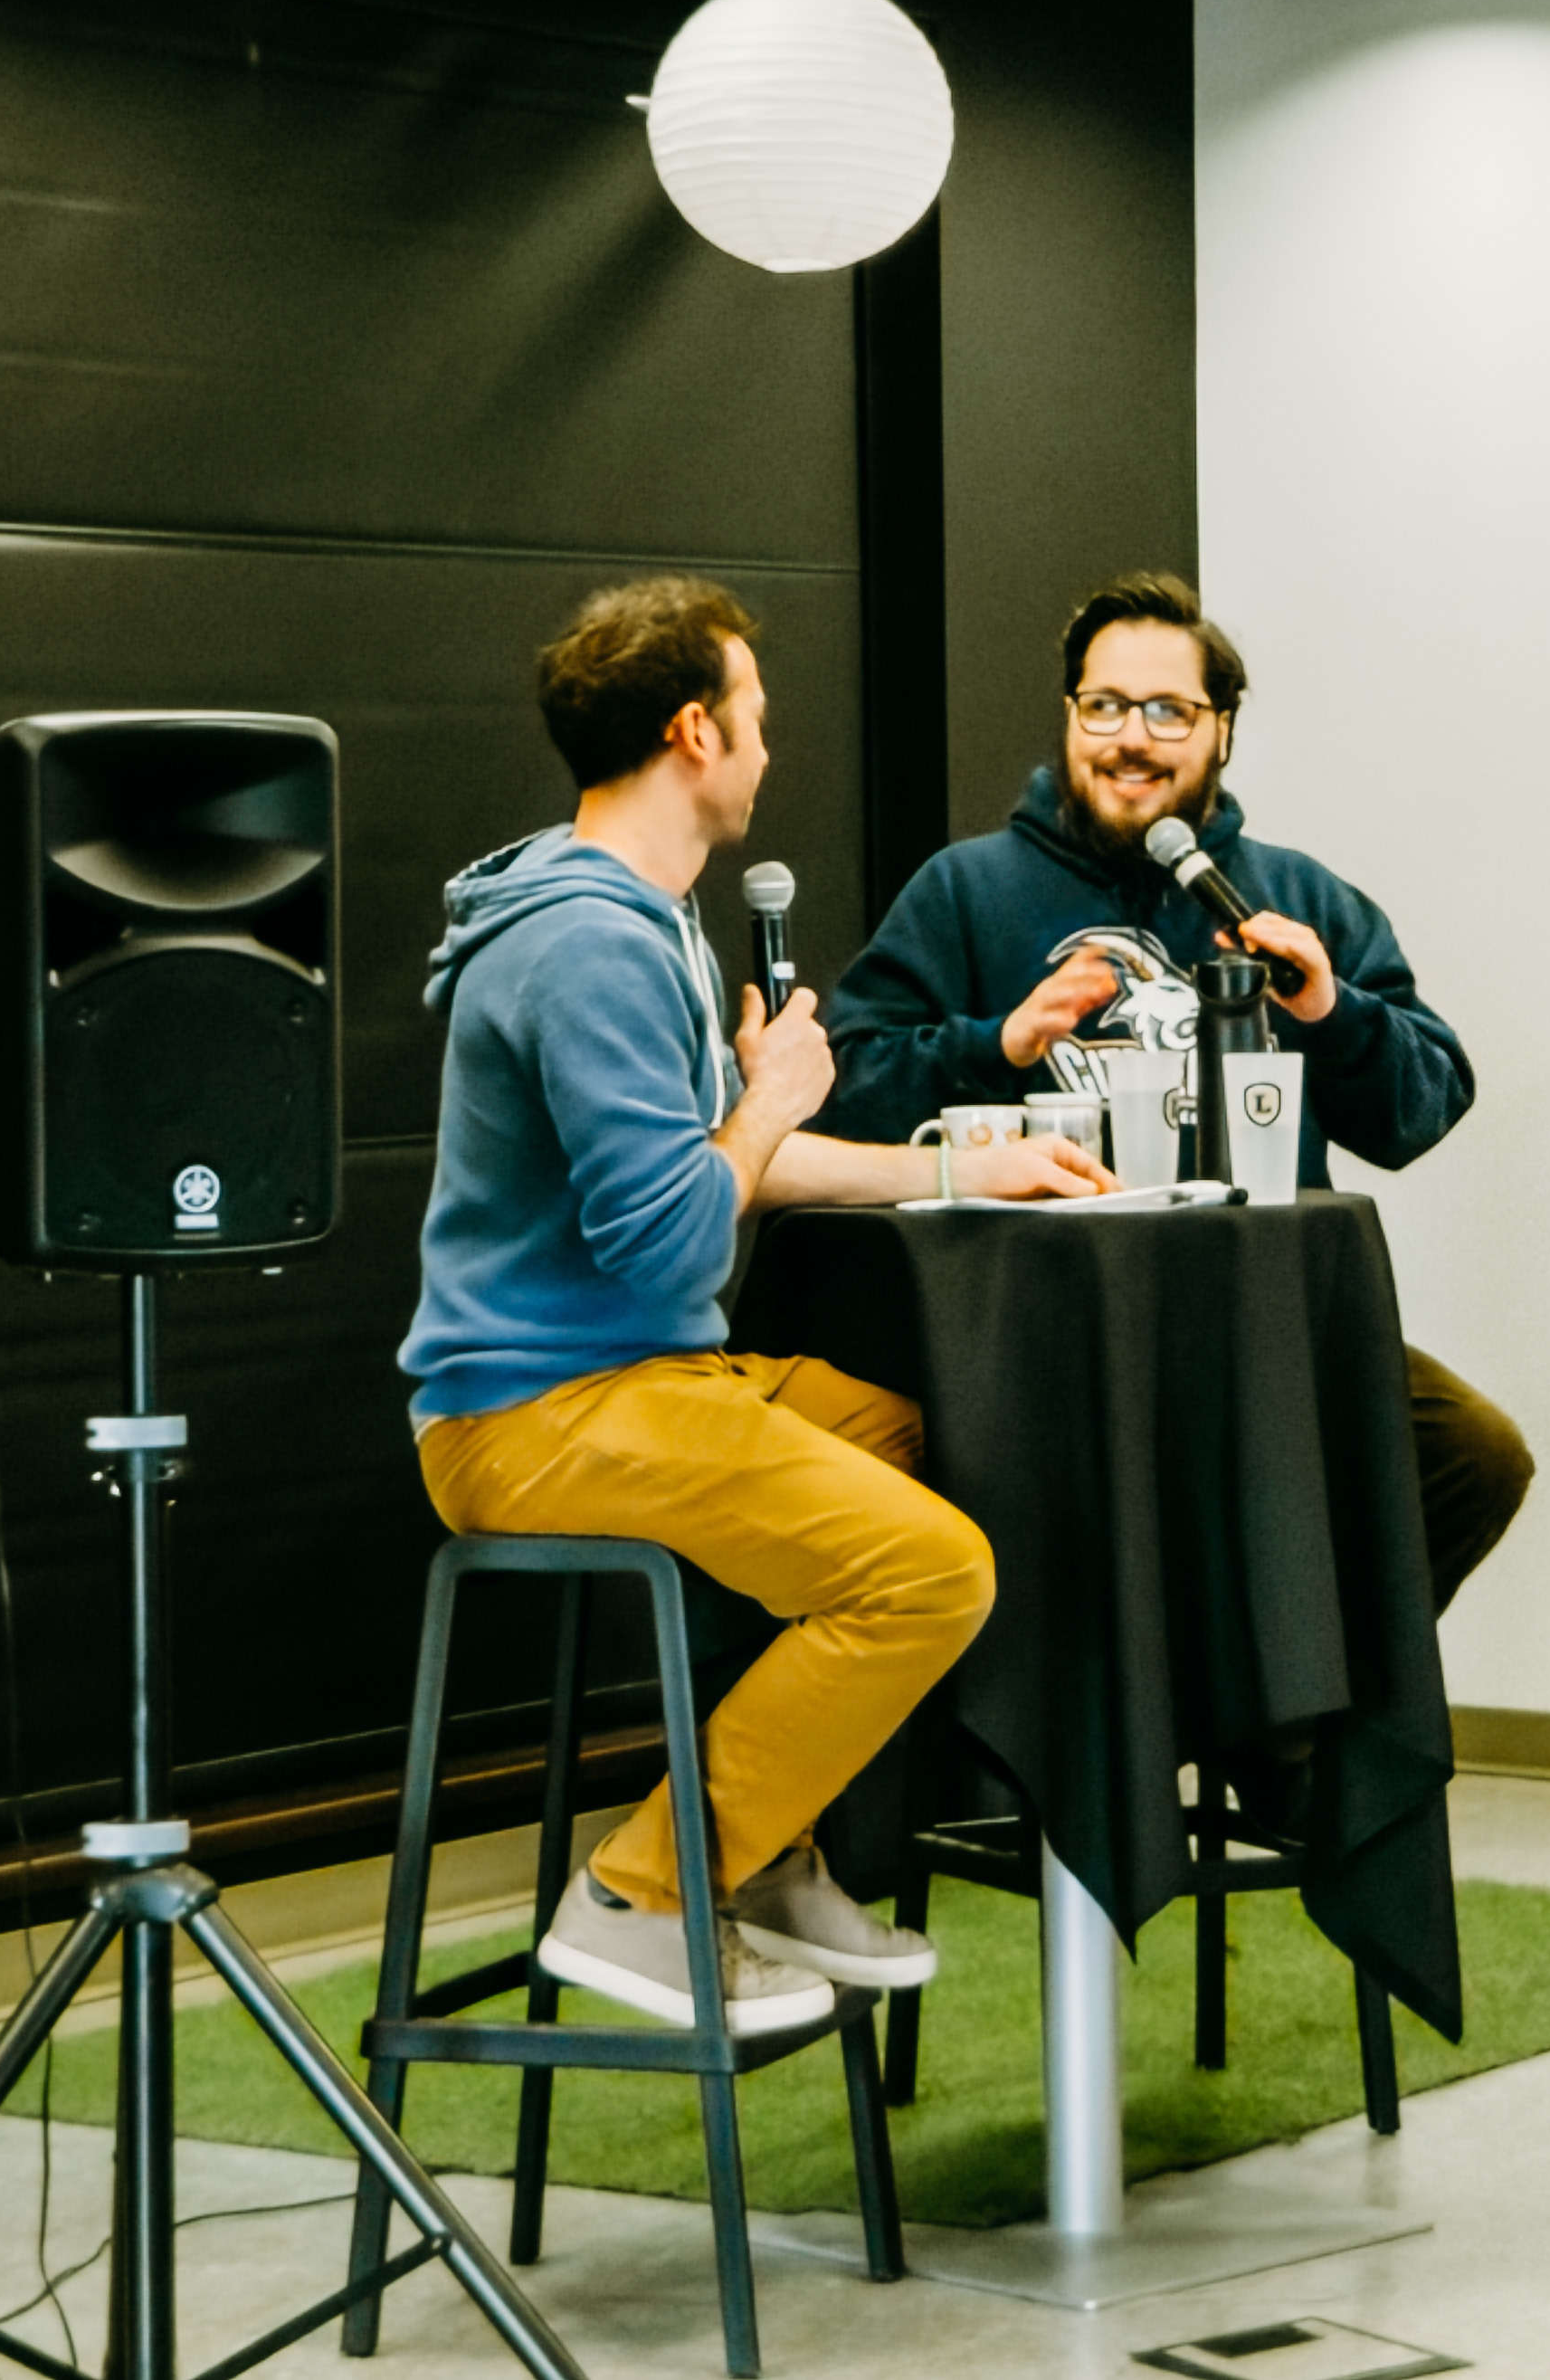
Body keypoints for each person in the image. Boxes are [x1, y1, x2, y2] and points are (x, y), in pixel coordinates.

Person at [401, 576, 1112, 2036]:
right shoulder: (589, 945)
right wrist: (772, 1096)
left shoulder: (637, 915)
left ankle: (770, 1845)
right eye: (757, 723)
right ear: (691, 735)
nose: (770, 752)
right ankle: (645, 1890)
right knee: (935, 1573)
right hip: (535, 1418)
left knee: (934, 1438)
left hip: (635, 1386)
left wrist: (962, 1162)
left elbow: (750, 1169)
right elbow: (676, 1245)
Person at [822, 569, 1534, 1613]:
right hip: (1037, 1349)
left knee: (1474, 1453)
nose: (1132, 739)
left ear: (1223, 730)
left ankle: (1305, 1722)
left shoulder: (1294, 898)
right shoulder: (964, 893)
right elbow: (843, 1094)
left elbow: (1418, 1111)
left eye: (1169, 711)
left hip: (1262, 1331)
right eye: (1104, 706)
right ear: (1070, 717)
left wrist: (1334, 1016)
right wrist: (998, 1044)